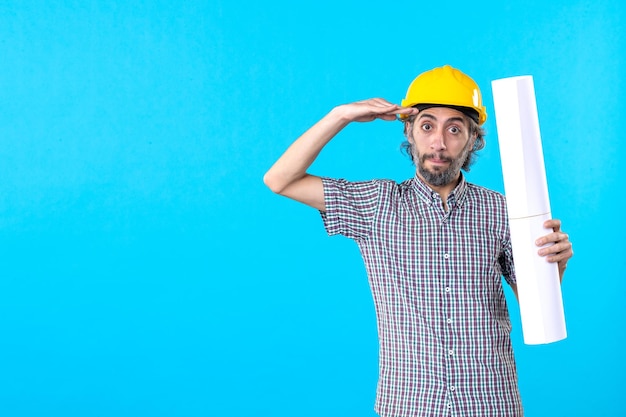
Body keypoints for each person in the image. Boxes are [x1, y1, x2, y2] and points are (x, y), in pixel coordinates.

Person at [263, 65, 573, 417]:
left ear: (472, 139)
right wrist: (341, 115)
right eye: (427, 126)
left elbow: (532, 305)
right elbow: (280, 180)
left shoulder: (503, 209)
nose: (438, 142)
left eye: (454, 129)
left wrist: (553, 267)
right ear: (408, 130)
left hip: (491, 400)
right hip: (409, 403)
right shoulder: (377, 204)